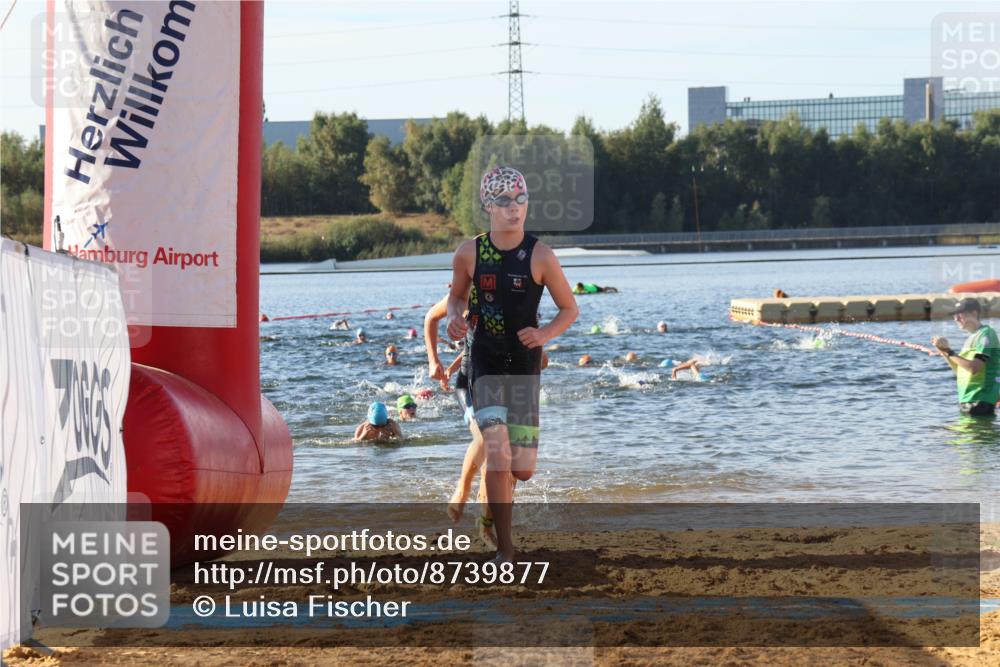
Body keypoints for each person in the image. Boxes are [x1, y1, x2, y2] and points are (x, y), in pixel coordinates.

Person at [447, 166, 578, 563]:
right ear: (488, 204)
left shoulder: (541, 255)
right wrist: (455, 316)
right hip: (485, 360)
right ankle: (506, 549)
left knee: (522, 470)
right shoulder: (470, 253)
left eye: (520, 200)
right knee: (497, 451)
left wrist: (543, 336)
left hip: (523, 364)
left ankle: (490, 519)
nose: (513, 209)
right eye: (503, 201)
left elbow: (569, 309)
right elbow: (455, 298)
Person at [932, 297, 1000, 417]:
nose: (956, 319)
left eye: (960, 314)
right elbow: (959, 370)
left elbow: (974, 368)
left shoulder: (986, 334)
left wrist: (950, 351)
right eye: (954, 315)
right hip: (967, 399)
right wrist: (944, 351)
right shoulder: (970, 338)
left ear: (974, 313)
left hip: (980, 400)